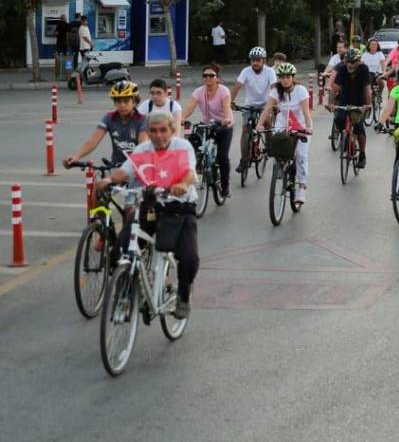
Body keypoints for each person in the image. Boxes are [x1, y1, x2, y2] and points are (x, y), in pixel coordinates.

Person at [97, 110, 199, 320]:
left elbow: (189, 171)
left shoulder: (182, 146)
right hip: (151, 207)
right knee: (119, 250)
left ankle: (183, 297)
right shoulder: (143, 149)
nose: (158, 135)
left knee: (188, 258)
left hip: (180, 207)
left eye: (163, 130)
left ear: (172, 130)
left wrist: (182, 184)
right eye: (153, 130)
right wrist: (109, 181)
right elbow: (125, 171)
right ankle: (128, 293)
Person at [258, 62, 313, 204]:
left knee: (301, 156)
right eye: (282, 77)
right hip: (283, 123)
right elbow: (267, 109)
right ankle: (281, 167)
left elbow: (306, 112)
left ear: (292, 77)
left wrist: (309, 127)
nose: (285, 80)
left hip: (300, 125)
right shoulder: (276, 91)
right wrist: (259, 124)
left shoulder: (301, 90)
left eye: (288, 77)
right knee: (278, 147)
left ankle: (301, 188)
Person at [63, 80, 148, 169]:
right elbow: (93, 141)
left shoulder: (142, 120)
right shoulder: (109, 118)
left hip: (138, 168)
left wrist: (133, 164)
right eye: (118, 101)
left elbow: (142, 146)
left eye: (126, 101)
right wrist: (76, 157)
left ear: (134, 102)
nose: (122, 105)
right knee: (101, 182)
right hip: (116, 166)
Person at [182, 63, 234, 198]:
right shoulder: (198, 92)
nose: (208, 78)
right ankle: (201, 166)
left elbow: (227, 107)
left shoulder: (224, 91)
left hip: (223, 126)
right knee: (193, 144)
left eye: (211, 75)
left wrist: (226, 119)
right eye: (205, 76)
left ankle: (225, 186)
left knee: (222, 157)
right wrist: (180, 119)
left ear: (217, 78)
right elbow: (189, 108)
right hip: (206, 124)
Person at [229, 47, 277, 170]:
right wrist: (230, 101)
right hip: (249, 104)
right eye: (253, 60)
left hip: (266, 103)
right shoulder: (246, 71)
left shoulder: (269, 72)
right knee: (245, 130)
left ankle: (270, 146)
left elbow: (274, 88)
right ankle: (244, 160)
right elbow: (236, 86)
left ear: (263, 61)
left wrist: (274, 104)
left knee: (266, 123)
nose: (255, 63)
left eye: (258, 60)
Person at [329, 50, 372, 167]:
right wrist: (331, 103)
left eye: (353, 62)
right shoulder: (343, 69)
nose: (350, 65)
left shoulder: (363, 69)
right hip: (345, 101)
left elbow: (366, 88)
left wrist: (367, 104)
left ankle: (362, 154)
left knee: (358, 126)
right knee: (338, 119)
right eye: (348, 62)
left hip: (360, 101)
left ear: (358, 61)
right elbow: (335, 88)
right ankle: (348, 139)